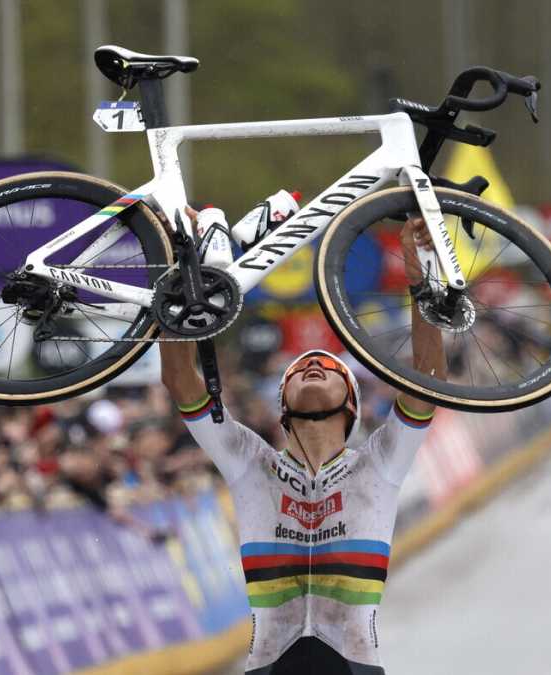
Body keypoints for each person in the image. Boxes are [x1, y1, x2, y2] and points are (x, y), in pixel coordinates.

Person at [161, 208, 446, 675]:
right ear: (283, 406)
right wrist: (182, 279)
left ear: (351, 406)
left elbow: (428, 380)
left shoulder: (379, 464)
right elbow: (181, 382)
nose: (312, 365)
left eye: (329, 369)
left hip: (352, 663)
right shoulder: (251, 462)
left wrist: (421, 272)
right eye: (299, 371)